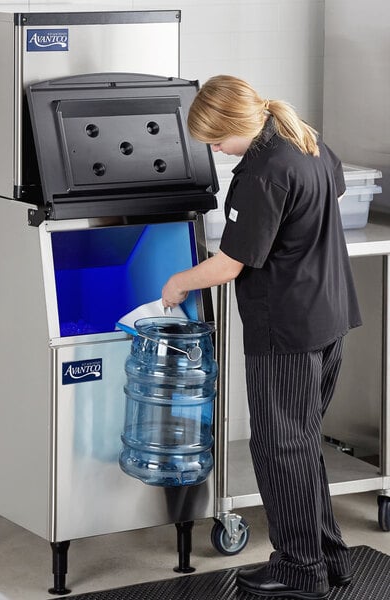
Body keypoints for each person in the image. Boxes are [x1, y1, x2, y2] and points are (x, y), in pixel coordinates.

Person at [162, 75, 361, 600]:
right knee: (301, 441)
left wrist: (179, 280)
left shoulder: (262, 172)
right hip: (331, 314)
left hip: (287, 327)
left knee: (278, 447)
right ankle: (328, 557)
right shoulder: (302, 138)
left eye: (215, 140)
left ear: (234, 126)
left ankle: (299, 569)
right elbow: (334, 189)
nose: (214, 150)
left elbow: (230, 264)